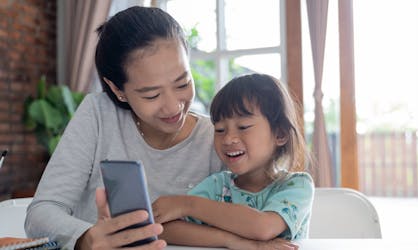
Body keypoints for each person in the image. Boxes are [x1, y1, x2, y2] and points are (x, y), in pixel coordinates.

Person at [25, 6, 226, 249]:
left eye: (182, 83)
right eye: (152, 95)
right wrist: (87, 239)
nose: (173, 107)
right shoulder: (99, 115)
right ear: (118, 90)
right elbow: (41, 212)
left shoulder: (217, 137)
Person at [153, 73, 315, 249]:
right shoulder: (217, 185)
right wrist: (233, 241)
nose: (228, 139)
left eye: (243, 127)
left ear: (280, 134)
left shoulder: (297, 186)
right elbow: (163, 229)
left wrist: (187, 205)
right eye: (220, 129)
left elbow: (263, 227)